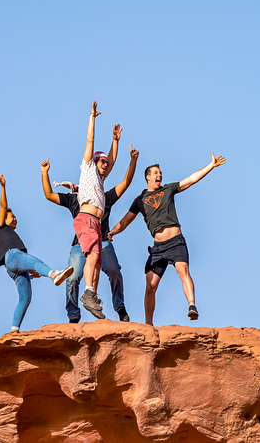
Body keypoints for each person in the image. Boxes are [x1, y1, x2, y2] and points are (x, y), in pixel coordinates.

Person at [108, 153, 226, 325]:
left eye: (160, 173)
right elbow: (125, 220)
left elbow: (191, 180)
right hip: (158, 248)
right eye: (156, 172)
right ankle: (149, 325)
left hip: (175, 242)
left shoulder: (168, 189)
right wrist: (111, 233)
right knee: (150, 286)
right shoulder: (140, 200)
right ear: (148, 177)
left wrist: (211, 165)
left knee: (183, 271)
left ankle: (192, 305)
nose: (159, 175)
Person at [40, 143, 139, 322]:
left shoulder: (103, 196)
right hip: (80, 242)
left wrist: (119, 146)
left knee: (115, 271)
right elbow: (49, 195)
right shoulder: (74, 200)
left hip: (103, 240)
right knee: (71, 278)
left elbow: (124, 183)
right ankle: (73, 316)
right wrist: (45, 173)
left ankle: (120, 308)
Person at [0, 172, 75, 333]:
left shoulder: (6, 234)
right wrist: (3, 187)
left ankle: (14, 330)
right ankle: (54, 274)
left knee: (25, 299)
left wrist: (32, 271)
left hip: (12, 267)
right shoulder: (0, 227)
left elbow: (23, 264)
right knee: (35, 261)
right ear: (2, 219)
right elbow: (3, 207)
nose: (15, 218)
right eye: (11, 216)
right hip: (13, 256)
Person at [75, 100, 118, 319]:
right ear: (94, 161)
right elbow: (90, 141)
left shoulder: (100, 180)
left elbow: (113, 160)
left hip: (96, 223)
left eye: (106, 163)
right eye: (102, 161)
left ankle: (92, 295)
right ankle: (88, 292)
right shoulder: (88, 168)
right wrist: (92, 117)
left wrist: (115, 141)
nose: (105, 164)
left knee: (98, 260)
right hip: (86, 218)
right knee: (92, 255)